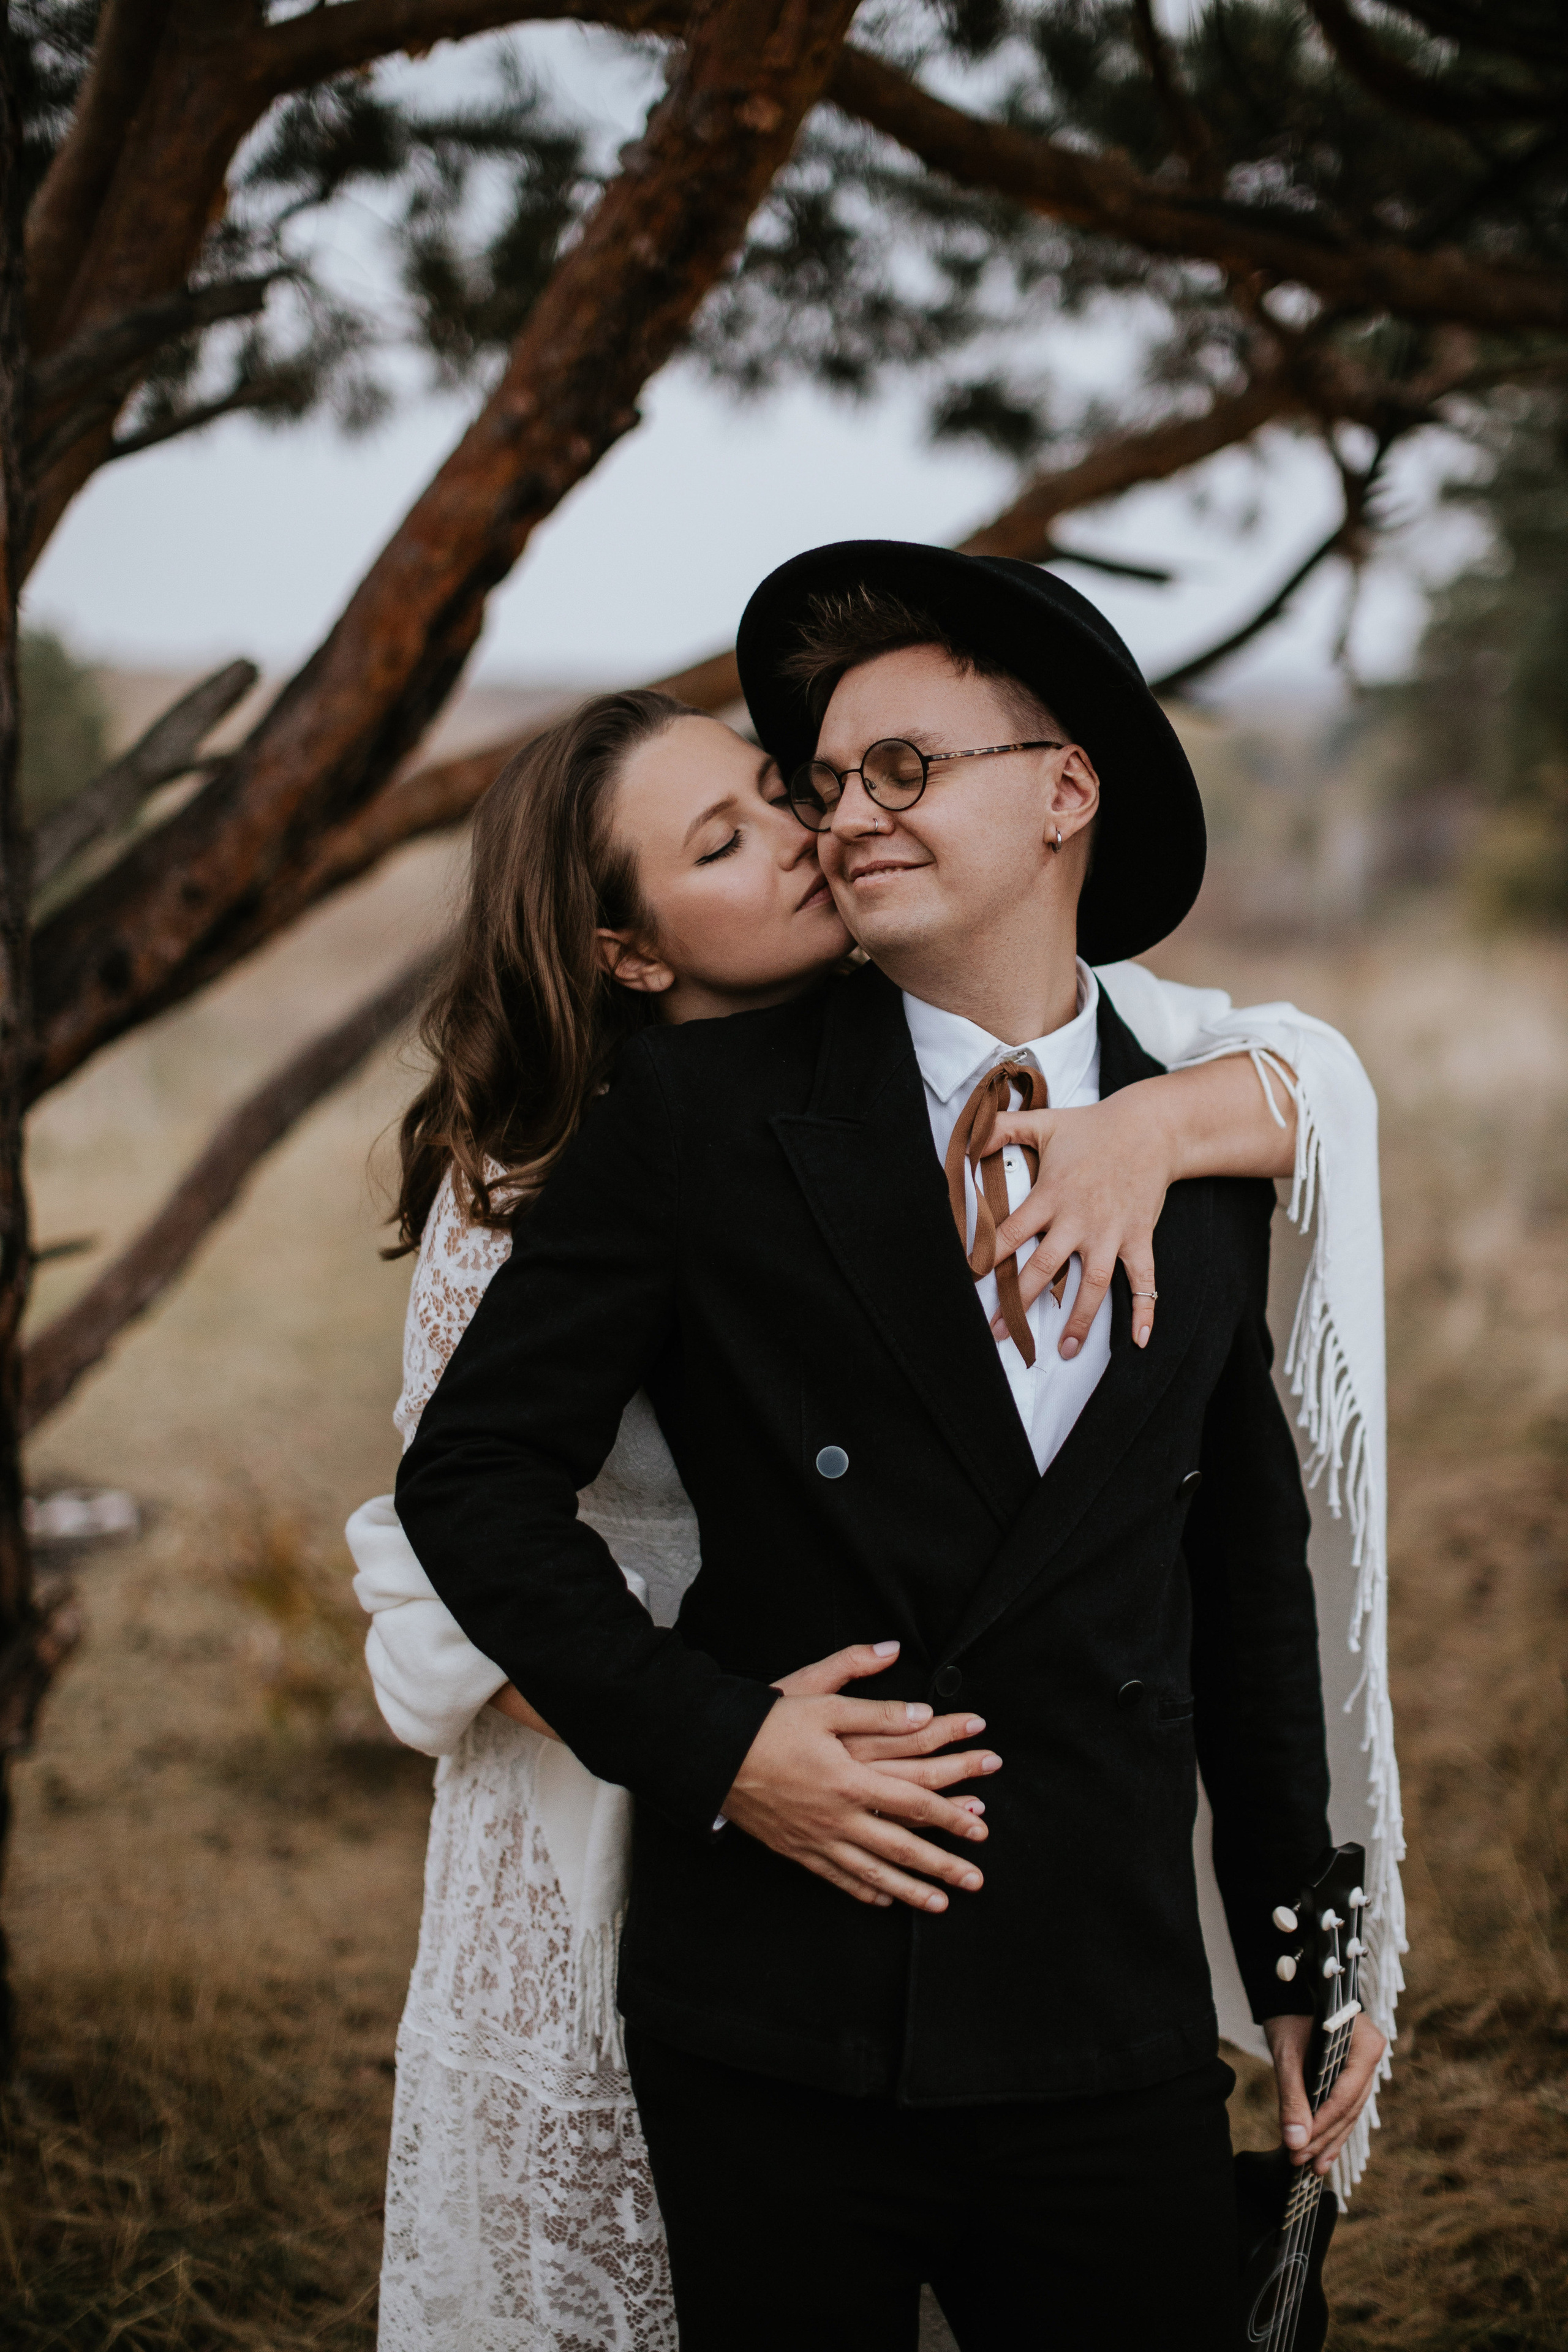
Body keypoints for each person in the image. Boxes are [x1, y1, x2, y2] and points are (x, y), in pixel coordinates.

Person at [367, 551, 1394, 2348]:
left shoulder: (1208, 1116)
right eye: (822, 783)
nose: (843, 818)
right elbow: (466, 1481)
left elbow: (1243, 1574)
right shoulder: (692, 1118)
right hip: (779, 2016)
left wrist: (1300, 1942)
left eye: (900, 771)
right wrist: (721, 1739)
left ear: (1066, 790)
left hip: (1106, 2006)